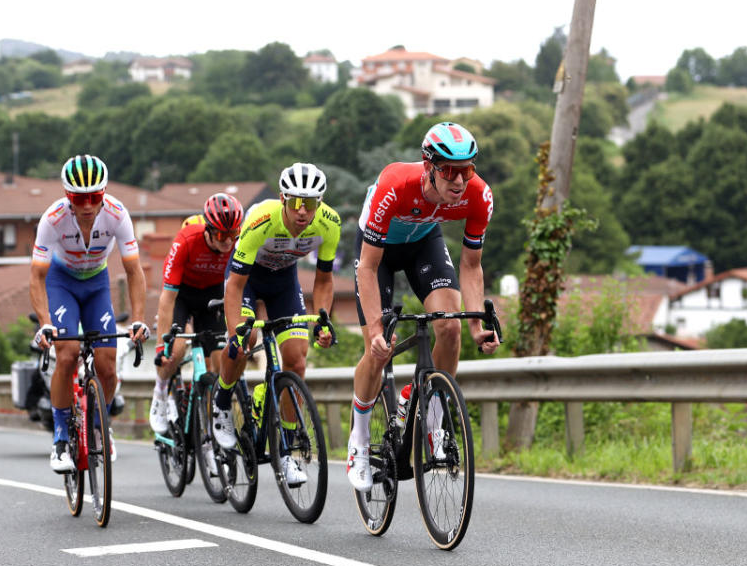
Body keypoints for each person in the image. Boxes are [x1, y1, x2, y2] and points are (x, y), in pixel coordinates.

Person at [346, 121, 501, 492]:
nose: (460, 181)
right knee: (379, 349)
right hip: (377, 254)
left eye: (467, 170)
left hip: (424, 244)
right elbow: (367, 267)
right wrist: (372, 331)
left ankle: (430, 416)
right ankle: (360, 442)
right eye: (450, 170)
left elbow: (471, 265)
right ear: (428, 164)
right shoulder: (395, 185)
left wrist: (478, 323)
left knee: (450, 327)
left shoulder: (478, 195)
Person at [211, 162, 339, 486]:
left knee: (296, 361)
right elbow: (235, 286)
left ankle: (287, 450)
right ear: (282, 198)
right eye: (295, 202)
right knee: (245, 340)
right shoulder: (260, 220)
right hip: (247, 280)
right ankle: (222, 401)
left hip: (284, 282)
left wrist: (323, 320)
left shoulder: (329, 224)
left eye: (309, 204)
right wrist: (235, 333)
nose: (302, 211)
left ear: (319, 204)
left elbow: (324, 281)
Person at [30, 154, 149, 473]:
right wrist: (45, 323)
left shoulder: (117, 214)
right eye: (79, 198)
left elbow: (134, 271)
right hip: (61, 282)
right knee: (66, 354)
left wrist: (138, 319)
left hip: (97, 284)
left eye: (95, 197)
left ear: (104, 193)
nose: (87, 205)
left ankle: (98, 424)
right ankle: (59, 437)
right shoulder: (53, 219)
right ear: (68, 196)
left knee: (108, 365)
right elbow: (37, 277)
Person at [150, 192, 243, 435]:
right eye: (222, 235)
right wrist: (161, 347)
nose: (228, 242)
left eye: (233, 235)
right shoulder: (187, 240)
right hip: (182, 295)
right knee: (177, 349)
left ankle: (212, 417)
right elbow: (167, 298)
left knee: (219, 360)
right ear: (208, 231)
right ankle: (160, 391)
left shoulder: (237, 243)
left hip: (211, 296)